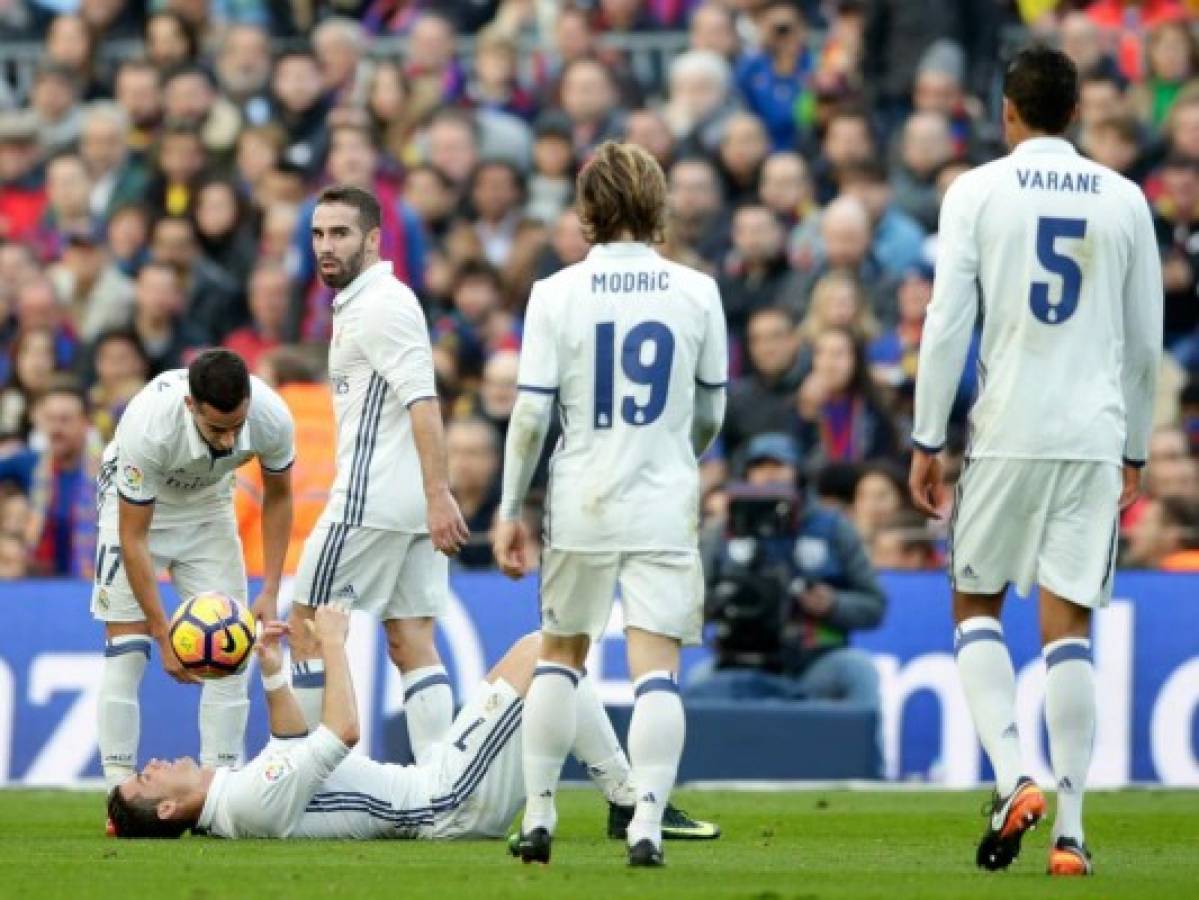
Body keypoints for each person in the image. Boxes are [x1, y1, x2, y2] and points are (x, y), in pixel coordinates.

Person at [908, 46, 1163, 878]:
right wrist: (1133, 445)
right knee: (1069, 630)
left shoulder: (975, 191)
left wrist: (924, 438)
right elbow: (1144, 341)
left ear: (1007, 113)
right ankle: (1072, 829)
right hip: (1090, 435)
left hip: (1006, 430)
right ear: (1075, 112)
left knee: (974, 605)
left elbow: (947, 322)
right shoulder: (1125, 200)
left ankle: (1013, 772)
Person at [493, 141, 728, 867]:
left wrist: (508, 506)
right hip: (662, 497)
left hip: (580, 496)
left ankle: (538, 817)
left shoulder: (555, 293)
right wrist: (671, 456)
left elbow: (531, 416)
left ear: (587, 211)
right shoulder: (697, 292)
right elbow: (710, 412)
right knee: (655, 667)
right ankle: (647, 825)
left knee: (561, 655)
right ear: (658, 208)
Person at [107, 604, 719, 844]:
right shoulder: (247, 805)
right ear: (166, 811)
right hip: (448, 803)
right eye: (146, 779)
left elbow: (292, 742)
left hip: (434, 784)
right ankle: (631, 801)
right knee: (547, 653)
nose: (154, 763)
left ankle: (623, 799)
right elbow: (340, 731)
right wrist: (336, 642)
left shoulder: (235, 801)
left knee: (548, 660)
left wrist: (272, 669)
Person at [289, 184, 468, 775]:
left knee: (306, 624)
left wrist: (439, 494)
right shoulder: (365, 302)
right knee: (411, 638)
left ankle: (311, 781)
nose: (325, 246)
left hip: (370, 500)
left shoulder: (380, 305)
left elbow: (423, 399)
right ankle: (442, 784)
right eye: (317, 234)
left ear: (372, 238)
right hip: (409, 501)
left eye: (339, 233)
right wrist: (429, 498)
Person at [91, 349, 296, 823]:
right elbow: (134, 536)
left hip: (208, 512)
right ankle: (117, 798)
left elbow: (280, 497)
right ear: (191, 406)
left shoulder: (270, 417)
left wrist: (269, 588)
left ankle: (217, 789)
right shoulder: (149, 423)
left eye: (235, 427)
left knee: (234, 648)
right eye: (216, 430)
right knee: (128, 648)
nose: (229, 441)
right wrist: (163, 634)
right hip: (138, 513)